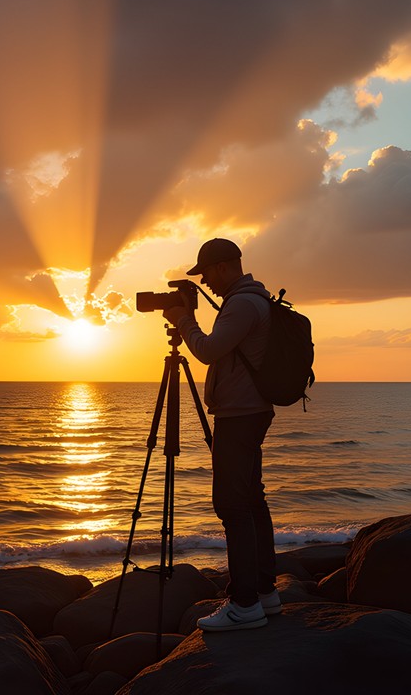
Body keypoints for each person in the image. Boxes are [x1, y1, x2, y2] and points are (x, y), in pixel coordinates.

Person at [161, 237, 279, 631]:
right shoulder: (250, 299)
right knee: (251, 500)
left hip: (240, 415)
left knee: (232, 505)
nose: (205, 281)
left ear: (225, 267)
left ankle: (244, 605)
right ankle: (265, 593)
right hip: (251, 411)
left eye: (207, 272)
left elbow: (209, 351)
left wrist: (184, 321)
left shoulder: (243, 304)